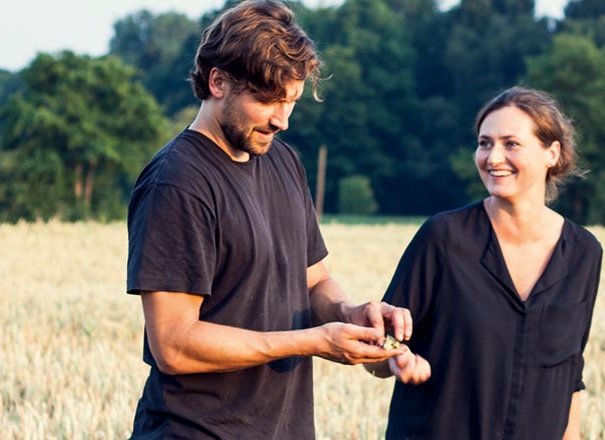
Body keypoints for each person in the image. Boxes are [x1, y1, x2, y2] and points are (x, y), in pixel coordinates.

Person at [124, 1, 411, 438]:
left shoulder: (283, 160)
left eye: (291, 102)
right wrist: (315, 340)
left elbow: (314, 280)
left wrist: (351, 314)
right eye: (267, 100)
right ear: (217, 81)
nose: (282, 120)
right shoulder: (177, 183)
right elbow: (174, 344)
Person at [364, 86, 604, 439]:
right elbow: (378, 345)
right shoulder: (444, 238)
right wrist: (395, 359)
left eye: (511, 144)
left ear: (551, 153)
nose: (493, 157)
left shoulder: (584, 253)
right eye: (484, 143)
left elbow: (570, 374)